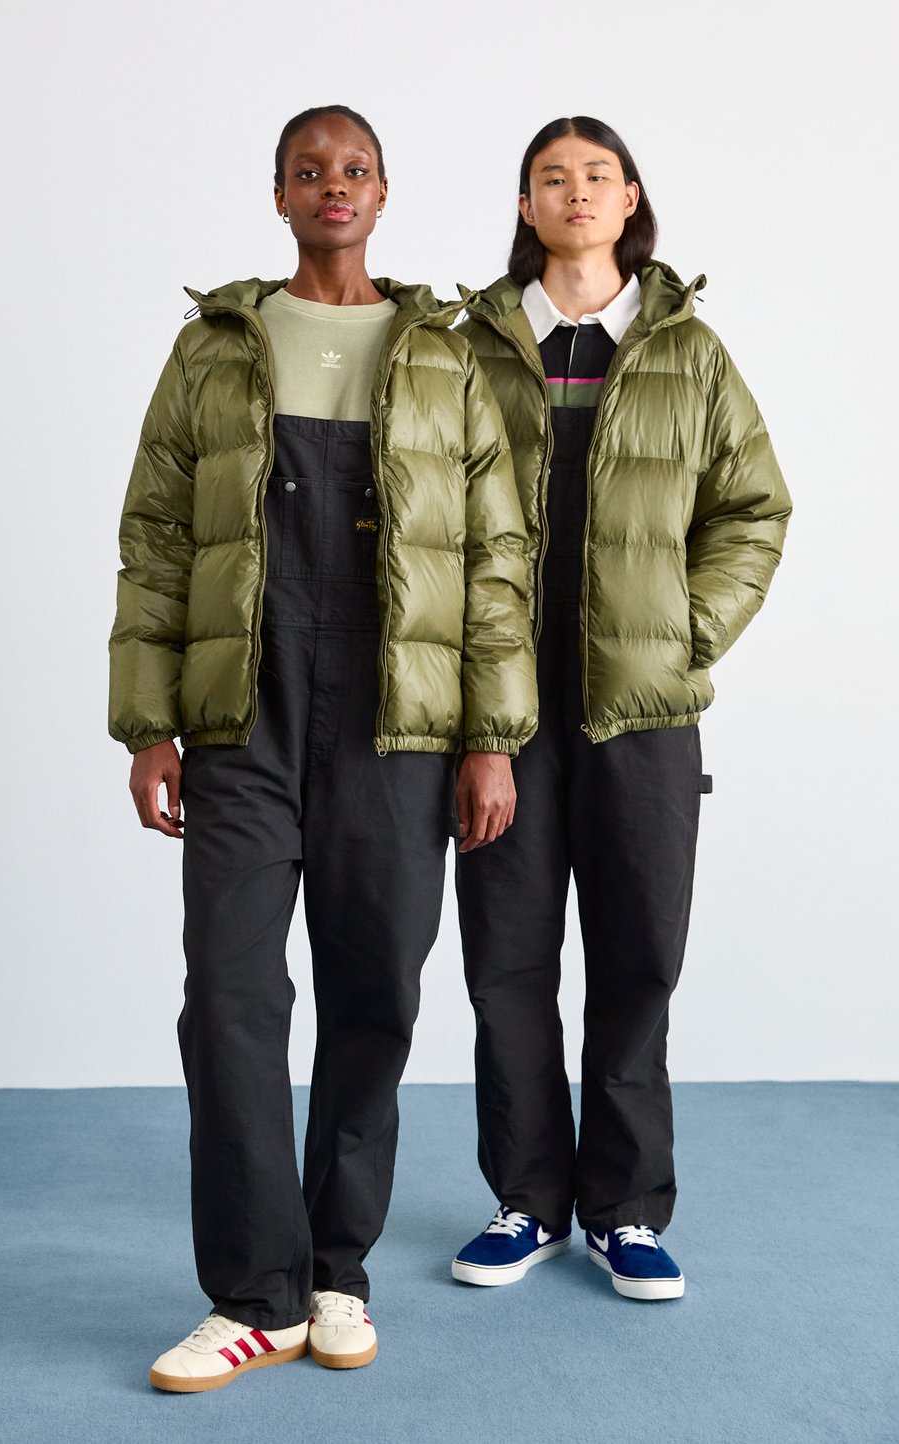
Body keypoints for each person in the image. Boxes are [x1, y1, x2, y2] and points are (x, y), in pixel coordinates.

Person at [108, 104, 537, 1391]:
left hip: (396, 716)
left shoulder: (441, 354)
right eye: (309, 170)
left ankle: (336, 1267)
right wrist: (148, 721)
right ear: (280, 195)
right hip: (240, 709)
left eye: (352, 169)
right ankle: (256, 1293)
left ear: (383, 193)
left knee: (375, 993)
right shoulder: (213, 346)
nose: (331, 186)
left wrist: (490, 738)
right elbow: (157, 537)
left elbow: (494, 558)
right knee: (228, 996)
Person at [451, 117, 791, 1301]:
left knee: (639, 954)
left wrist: (682, 634)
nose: (576, 192)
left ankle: (627, 1210)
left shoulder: (687, 350)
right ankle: (526, 1200)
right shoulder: (470, 348)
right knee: (506, 957)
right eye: (552, 178)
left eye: (597, 175)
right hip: (500, 708)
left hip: (641, 712)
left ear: (630, 197)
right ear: (526, 205)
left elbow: (754, 507)